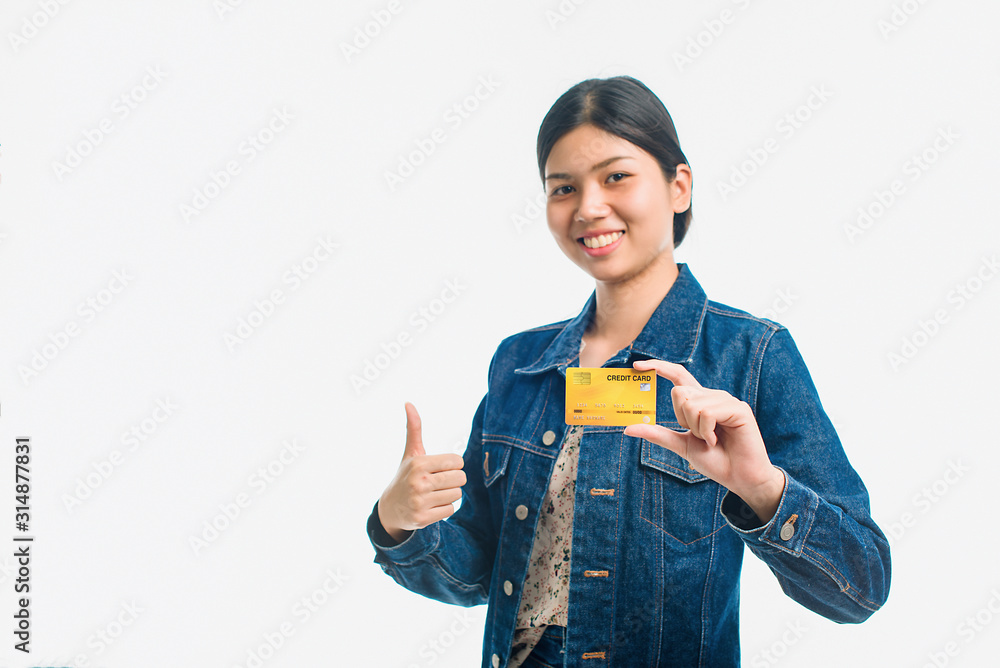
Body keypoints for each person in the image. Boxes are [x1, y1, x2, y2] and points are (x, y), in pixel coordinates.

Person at [366, 75, 891, 667]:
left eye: (616, 176)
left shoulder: (750, 354)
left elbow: (861, 587)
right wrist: (400, 524)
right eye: (563, 187)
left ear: (679, 187)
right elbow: (477, 576)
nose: (589, 208)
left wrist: (763, 491)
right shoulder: (519, 363)